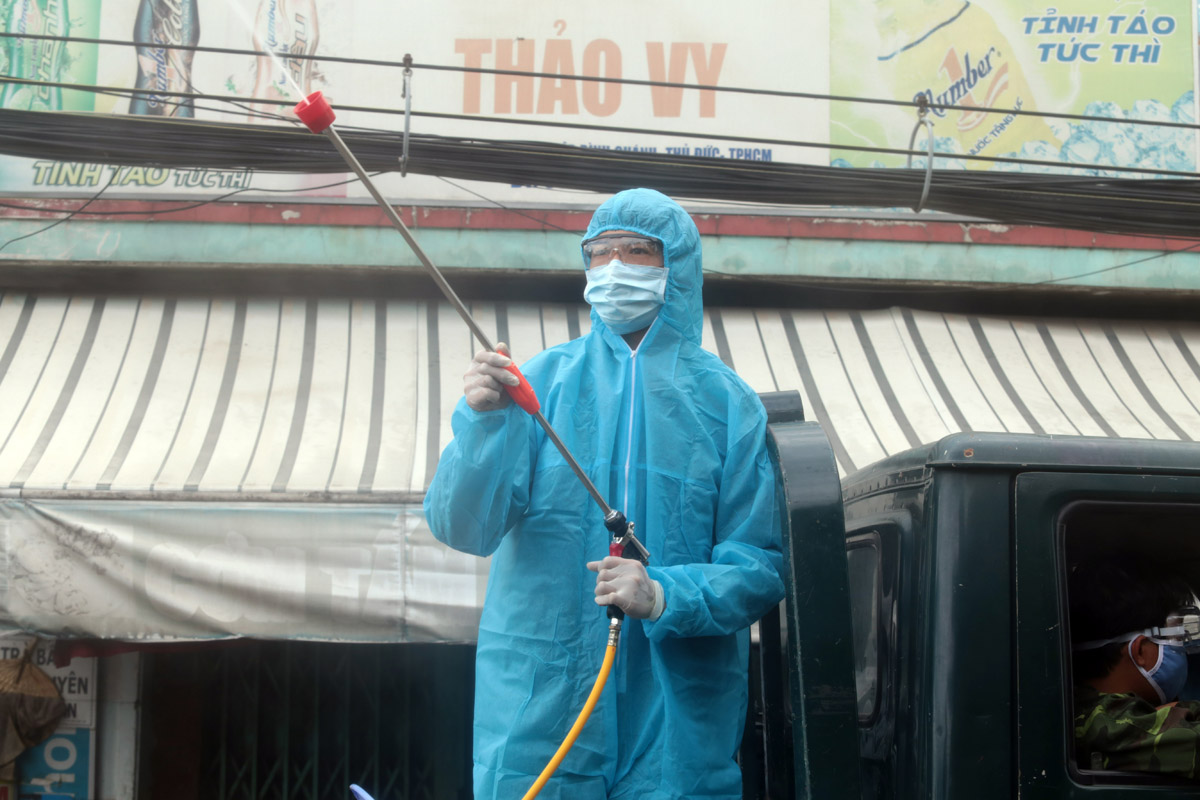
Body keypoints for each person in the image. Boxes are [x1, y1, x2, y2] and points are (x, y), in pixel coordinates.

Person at [424, 188, 785, 799]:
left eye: (637, 251)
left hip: (676, 722)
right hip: (543, 710)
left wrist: (667, 595)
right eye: (599, 252)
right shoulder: (538, 384)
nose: (615, 266)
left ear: (678, 266)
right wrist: (483, 423)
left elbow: (759, 565)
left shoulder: (728, 404)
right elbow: (463, 526)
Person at [1069, 558, 1200, 779]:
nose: (1183, 648)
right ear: (1139, 650)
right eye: (1177, 638)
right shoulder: (1112, 728)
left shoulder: (1075, 706)